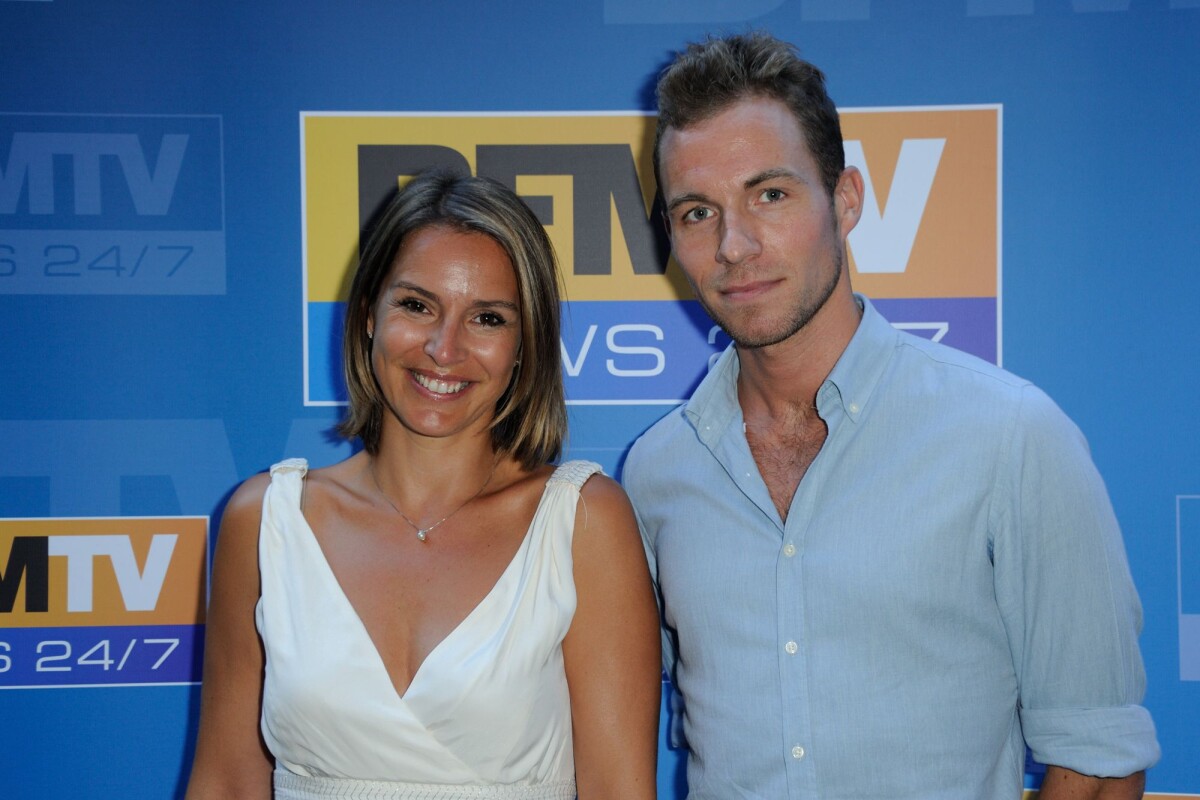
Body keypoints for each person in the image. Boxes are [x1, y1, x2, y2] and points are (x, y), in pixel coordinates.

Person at [623, 31, 1159, 800]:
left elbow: (1101, 762)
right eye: (697, 212)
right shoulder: (657, 472)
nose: (734, 246)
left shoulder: (1011, 438)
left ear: (845, 201)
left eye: (769, 195)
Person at [186, 170, 660, 800]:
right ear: (366, 317)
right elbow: (226, 781)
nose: (444, 348)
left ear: (525, 346)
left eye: (487, 318)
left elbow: (619, 791)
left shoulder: (582, 522)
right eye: (416, 305)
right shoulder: (266, 520)